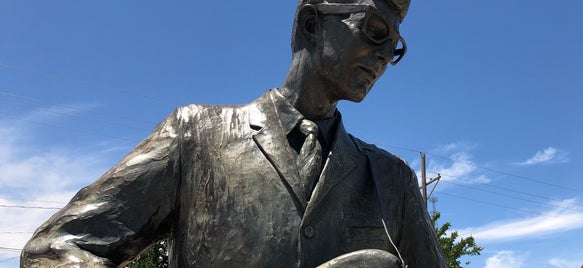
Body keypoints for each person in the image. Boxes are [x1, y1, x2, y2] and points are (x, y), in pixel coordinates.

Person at [21, 0, 446, 267]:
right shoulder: (195, 136)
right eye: (374, 30)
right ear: (312, 23)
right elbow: (57, 248)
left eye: (394, 47)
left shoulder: (393, 181)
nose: (383, 56)